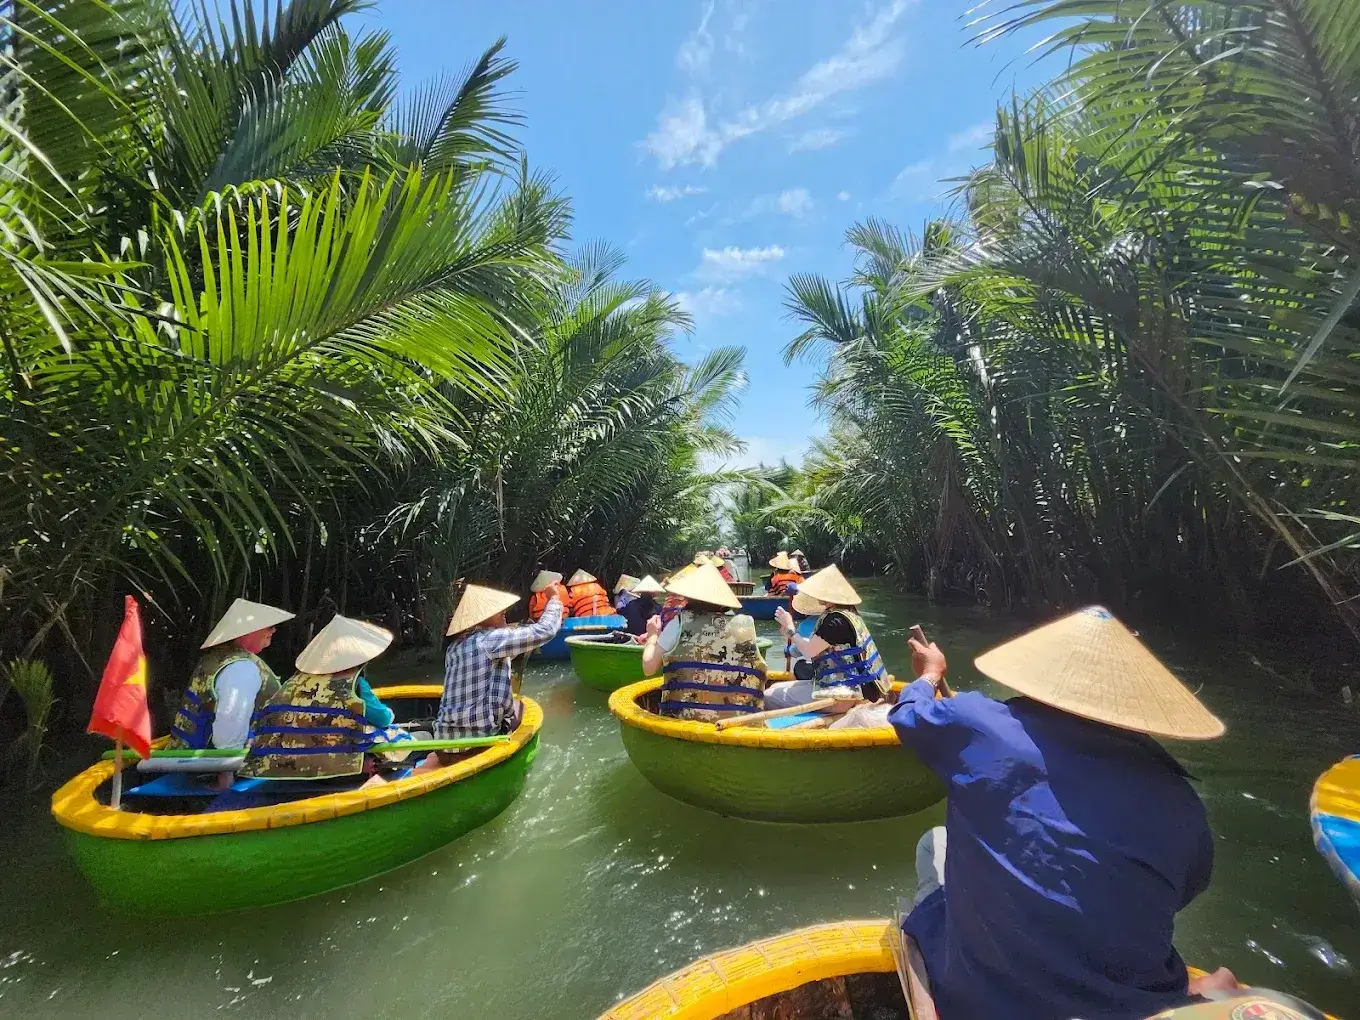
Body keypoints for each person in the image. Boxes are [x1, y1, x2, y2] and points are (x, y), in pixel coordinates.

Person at [890, 607, 1239, 1020]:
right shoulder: (1183, 801)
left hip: (983, 1000)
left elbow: (908, 714)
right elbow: (1184, 890)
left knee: (934, 842)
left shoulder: (982, 725)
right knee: (1220, 978)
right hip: (1128, 1004)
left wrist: (930, 673)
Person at [239, 614, 406, 781]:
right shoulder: (356, 683)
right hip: (335, 763)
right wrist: (390, 714)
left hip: (283, 761)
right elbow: (382, 718)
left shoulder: (295, 682)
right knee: (399, 738)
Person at [425, 581, 565, 757]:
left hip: (444, 749)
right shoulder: (491, 640)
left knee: (509, 705)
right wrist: (554, 598)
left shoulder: (454, 648)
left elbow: (487, 660)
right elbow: (545, 631)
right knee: (521, 707)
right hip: (476, 747)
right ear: (484, 618)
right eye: (498, 610)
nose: (504, 612)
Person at [641, 562, 767, 721]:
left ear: (688, 596)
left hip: (685, 721)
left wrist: (653, 635)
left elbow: (648, 667)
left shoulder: (679, 622)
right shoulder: (746, 623)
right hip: (739, 723)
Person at [168, 598, 295, 750]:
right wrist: (226, 772)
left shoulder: (216, 658)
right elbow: (228, 739)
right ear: (246, 631)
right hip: (211, 768)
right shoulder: (241, 668)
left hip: (188, 763)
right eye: (268, 626)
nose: (273, 630)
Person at [768, 565, 890, 721]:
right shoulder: (849, 614)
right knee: (775, 687)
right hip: (851, 689)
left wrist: (792, 629)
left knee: (769, 696)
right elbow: (822, 647)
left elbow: (809, 652)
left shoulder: (834, 621)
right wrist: (792, 634)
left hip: (840, 694)